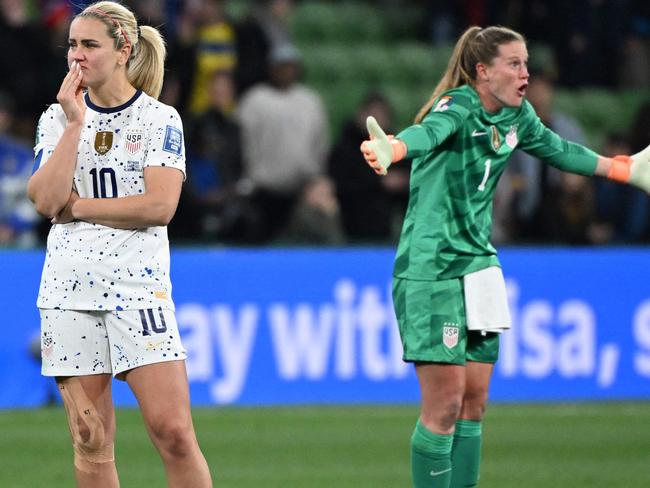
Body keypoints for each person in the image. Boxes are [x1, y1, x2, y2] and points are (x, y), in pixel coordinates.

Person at [360, 26, 650, 488]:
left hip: (480, 266)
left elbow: (561, 151)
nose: (526, 74)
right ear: (483, 72)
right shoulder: (457, 106)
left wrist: (624, 168)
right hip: (434, 268)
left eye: (527, 64)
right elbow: (427, 133)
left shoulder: (519, 117)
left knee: (474, 402)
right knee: (445, 405)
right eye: (514, 64)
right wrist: (391, 148)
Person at [26, 3, 212, 487]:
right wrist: (74, 124)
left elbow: (159, 206)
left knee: (172, 431)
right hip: (69, 292)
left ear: (124, 49)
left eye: (90, 45)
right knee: (90, 440)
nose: (77, 56)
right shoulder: (56, 117)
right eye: (72, 45)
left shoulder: (158, 119)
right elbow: (46, 200)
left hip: (137, 290)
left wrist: (82, 208)